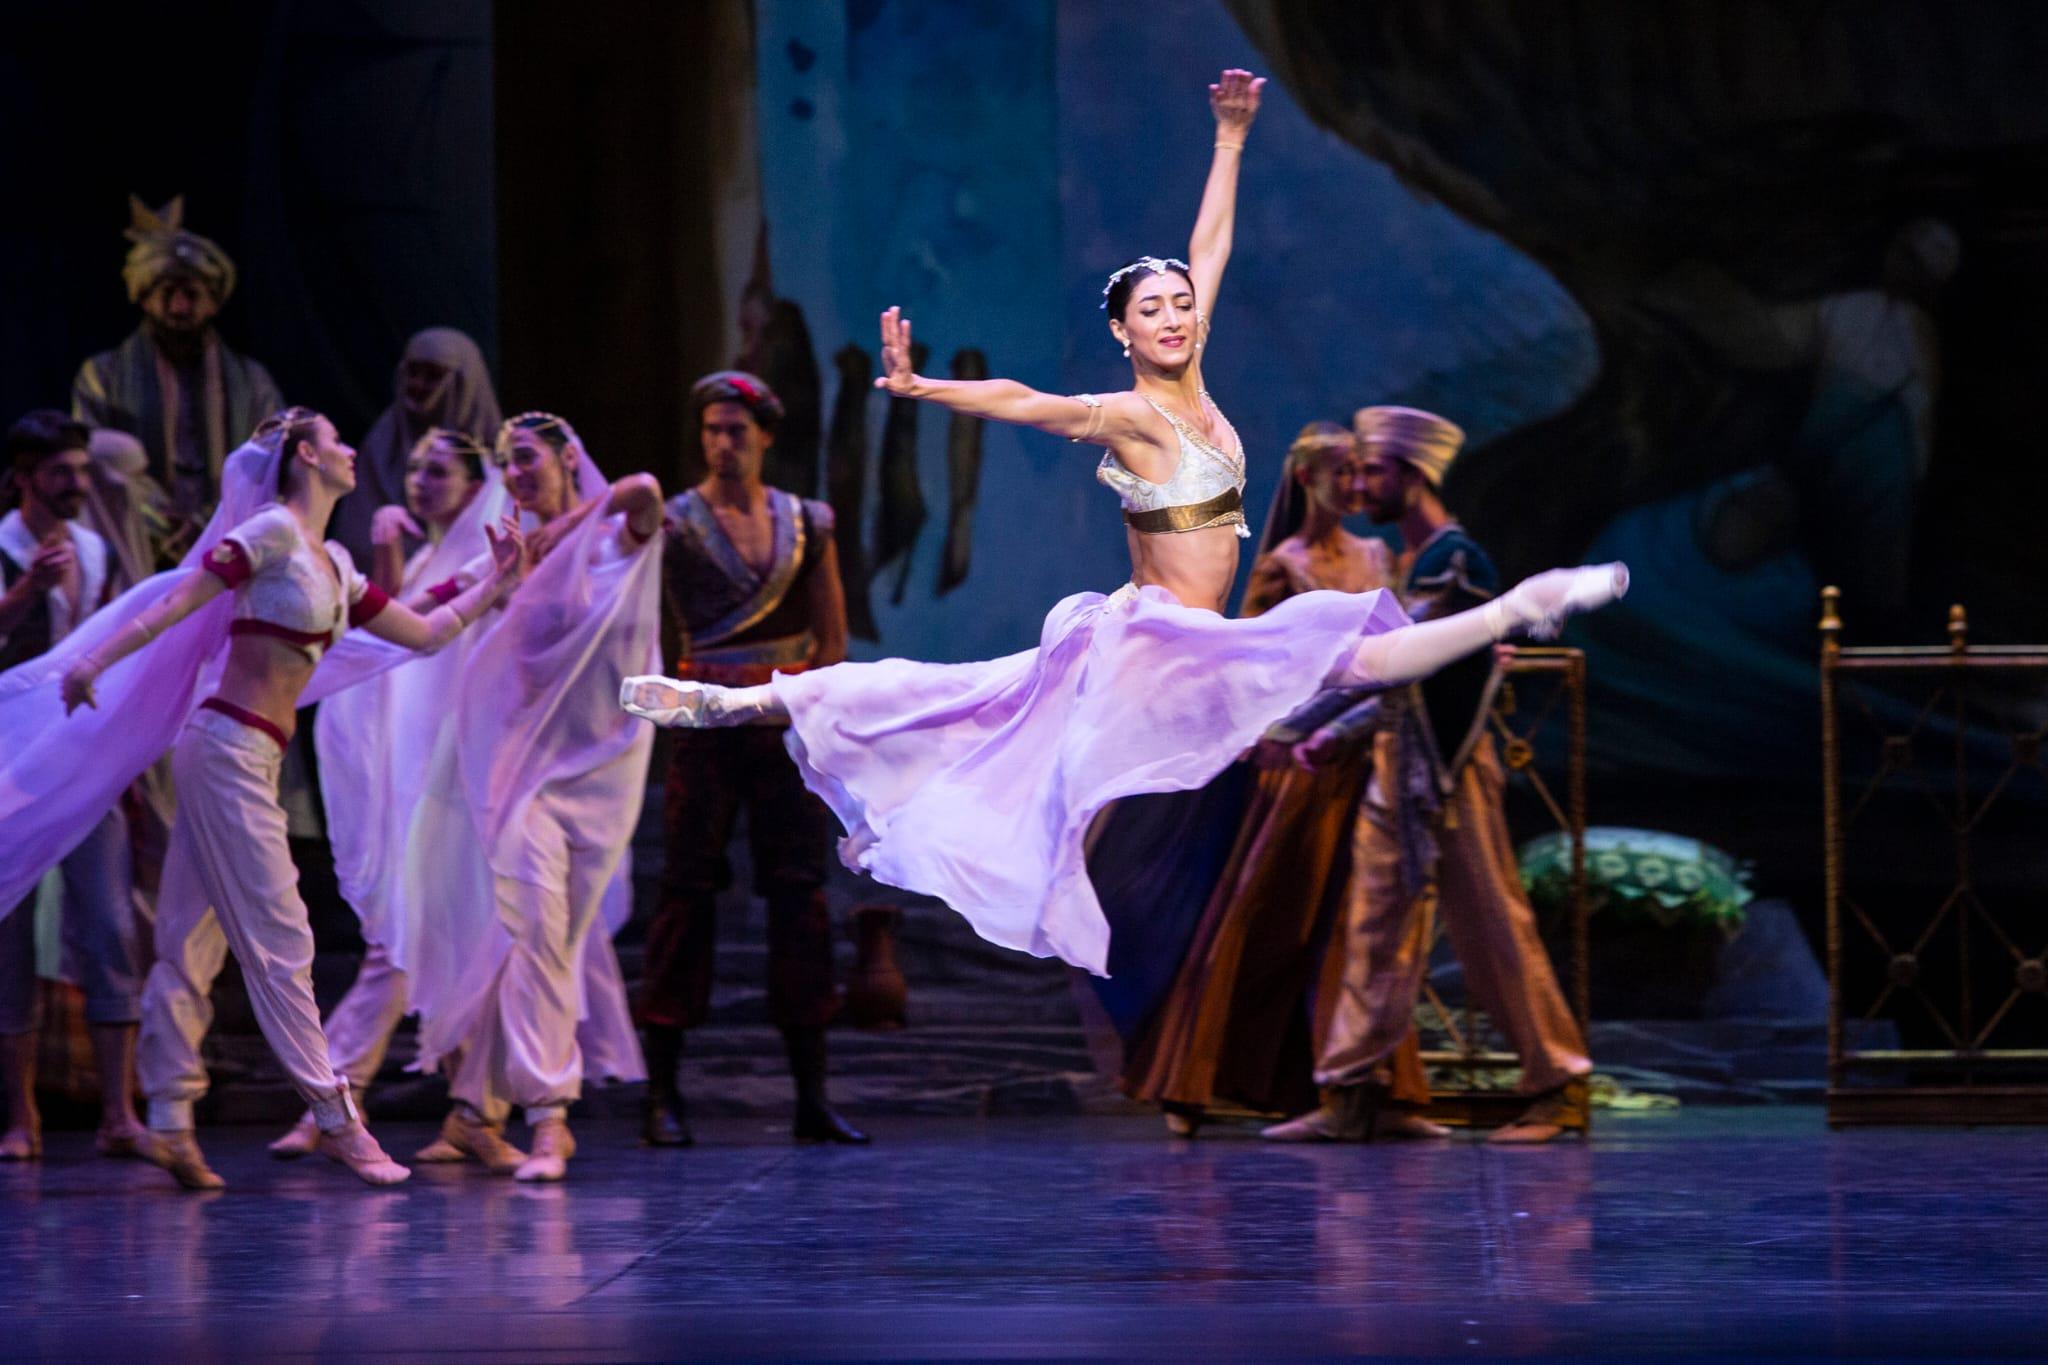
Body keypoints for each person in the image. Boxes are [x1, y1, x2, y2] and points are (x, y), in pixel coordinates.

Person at [622, 71, 1630, 978]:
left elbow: (1211, 247)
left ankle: (737, 705)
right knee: (1325, 661)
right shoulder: (1136, 416)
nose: (1175, 316)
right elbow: (1031, 402)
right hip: (1157, 643)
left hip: (1182, 639)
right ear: (1122, 330)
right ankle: (1528, 603)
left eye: (1181, 305)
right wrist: (927, 388)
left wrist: (1229, 138)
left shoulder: (1197, 380)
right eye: (1152, 310)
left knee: (969, 700)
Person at [50, 407, 525, 1189]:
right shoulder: (271, 530)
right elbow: (181, 596)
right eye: (336, 439)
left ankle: (168, 1117)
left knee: (190, 939)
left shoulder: (332, 561)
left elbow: (425, 630)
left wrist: (496, 579)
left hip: (248, 756)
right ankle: (335, 1116)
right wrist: (94, 659)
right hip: (224, 749)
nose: (350, 449)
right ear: (306, 455)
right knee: (282, 938)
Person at [1263, 406, 1595, 1144]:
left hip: (1450, 765)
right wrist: (1337, 735)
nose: (1360, 486)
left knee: (1490, 925)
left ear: (1412, 475)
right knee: (1374, 925)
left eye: (1374, 471)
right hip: (1401, 756)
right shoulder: (1419, 560)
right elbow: (1401, 681)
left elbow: (1400, 663)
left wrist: (1298, 725)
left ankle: (1559, 1085)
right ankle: (1355, 1093)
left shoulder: (1457, 561)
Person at [1108, 422, 1442, 1139]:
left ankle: (1374, 1090)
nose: (1352, 485)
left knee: (1362, 925)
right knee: (1267, 920)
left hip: (1363, 754)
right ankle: (1194, 1080)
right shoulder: (1286, 563)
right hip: (1299, 766)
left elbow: (1398, 647)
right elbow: (1249, 658)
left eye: (1358, 471)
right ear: (1306, 478)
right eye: (1339, 472)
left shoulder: (1376, 555)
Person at [410, 412, 664, 1183]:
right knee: (540, 934)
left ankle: (471, 1110)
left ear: (568, 457)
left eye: (525, 456)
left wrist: (568, 528)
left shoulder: (619, 541)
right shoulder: (510, 552)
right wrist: (500, 583)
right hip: (524, 777)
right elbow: (431, 621)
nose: (514, 472)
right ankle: (551, 1118)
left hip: (606, 775)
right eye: (504, 462)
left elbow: (646, 489)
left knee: (543, 942)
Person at [636, 371, 864, 1149]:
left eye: (736, 430)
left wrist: (825, 723)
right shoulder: (674, 522)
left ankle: (812, 1097)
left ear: (765, 435)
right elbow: (640, 622)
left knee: (800, 895)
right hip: (704, 720)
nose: (722, 444)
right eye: (711, 430)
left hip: (784, 722)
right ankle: (661, 1092)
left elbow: (831, 639)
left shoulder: (808, 522)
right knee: (684, 893)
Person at [0, 411, 146, 1162]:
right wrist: (25, 591)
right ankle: (20, 1115)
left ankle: (119, 1111)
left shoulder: (94, 549)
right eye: (61, 471)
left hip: (83, 765)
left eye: (83, 470)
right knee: (10, 936)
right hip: (10, 769)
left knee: (111, 926)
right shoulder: (4, 548)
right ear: (24, 477)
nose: (77, 484)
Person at [71, 196, 283, 566]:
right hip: (134, 542)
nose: (179, 307)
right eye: (167, 294)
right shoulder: (103, 376)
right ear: (144, 298)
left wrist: (207, 522)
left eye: (191, 294)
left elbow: (273, 459)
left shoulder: (252, 383)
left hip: (232, 540)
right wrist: (159, 521)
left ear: (213, 302)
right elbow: (91, 461)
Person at [328, 328, 504, 568]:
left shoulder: (498, 460)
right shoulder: (384, 443)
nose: (417, 384)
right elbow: (356, 540)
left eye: (433, 376)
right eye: (412, 372)